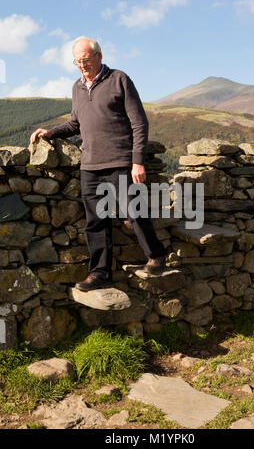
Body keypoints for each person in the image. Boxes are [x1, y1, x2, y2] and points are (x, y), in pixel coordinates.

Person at [30, 37, 166, 292]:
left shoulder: (119, 79)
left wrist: (137, 161)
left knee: (134, 211)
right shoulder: (77, 88)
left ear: (99, 56)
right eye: (77, 62)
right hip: (90, 166)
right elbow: (75, 124)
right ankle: (100, 273)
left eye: (85, 60)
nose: (81, 65)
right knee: (96, 221)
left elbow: (139, 122)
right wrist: (51, 132)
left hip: (121, 162)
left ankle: (157, 255)